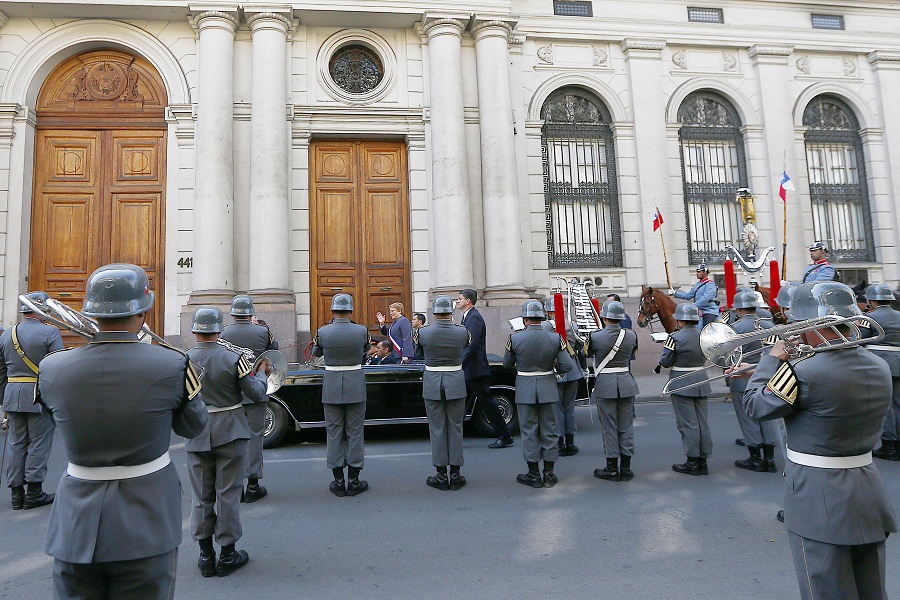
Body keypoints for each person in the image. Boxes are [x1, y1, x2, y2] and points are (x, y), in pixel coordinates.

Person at [36, 263, 208, 599]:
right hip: (147, 520)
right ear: (143, 311)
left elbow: (54, 418)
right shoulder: (172, 363)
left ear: (92, 311)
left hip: (74, 524)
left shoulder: (52, 366)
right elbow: (194, 426)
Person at [743, 281, 896, 600]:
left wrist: (772, 358)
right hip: (867, 489)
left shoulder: (802, 371)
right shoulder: (878, 365)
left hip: (817, 496)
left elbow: (754, 405)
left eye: (797, 325)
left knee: (824, 589)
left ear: (812, 323)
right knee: (871, 590)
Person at [186, 307, 270, 577]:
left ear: (194, 330)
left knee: (201, 496)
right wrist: (263, 374)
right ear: (219, 330)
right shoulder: (234, 358)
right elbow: (256, 394)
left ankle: (205, 556)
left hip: (197, 432)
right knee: (228, 495)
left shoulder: (182, 360)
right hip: (231, 430)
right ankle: (228, 554)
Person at [0, 291, 63, 509]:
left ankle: (17, 495)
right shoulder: (51, 332)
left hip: (13, 394)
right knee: (39, 443)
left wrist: (5, 397)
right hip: (39, 394)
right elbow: (57, 367)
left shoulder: (7, 334)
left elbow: (1, 371)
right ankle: (34, 493)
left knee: (16, 444)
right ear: (43, 310)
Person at [503, 301, 575, 488]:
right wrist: (552, 368)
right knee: (550, 429)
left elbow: (506, 365)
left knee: (529, 431)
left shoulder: (515, 338)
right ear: (542, 317)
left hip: (525, 388)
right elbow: (567, 365)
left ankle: (533, 473)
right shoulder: (555, 338)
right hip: (548, 387)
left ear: (525, 319)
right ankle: (549, 473)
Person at [219, 295, 278, 503]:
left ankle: (236, 485)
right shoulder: (262, 331)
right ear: (251, 313)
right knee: (255, 437)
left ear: (233, 313)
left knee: (234, 439)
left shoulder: (223, 333)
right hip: (256, 389)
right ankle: (253, 484)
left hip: (232, 393)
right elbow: (274, 350)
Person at [313, 294, 372, 497]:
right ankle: (354, 480)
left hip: (331, 384)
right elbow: (365, 350)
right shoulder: (362, 330)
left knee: (334, 432)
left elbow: (316, 352)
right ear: (350, 310)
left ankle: (338, 481)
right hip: (355, 383)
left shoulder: (323, 331)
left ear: (333, 310)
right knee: (355, 432)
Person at [415, 296, 470, 491]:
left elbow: (418, 353)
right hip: (455, 380)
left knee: (437, 428)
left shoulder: (423, 332)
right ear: (451, 312)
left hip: (432, 382)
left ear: (435, 312)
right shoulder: (462, 331)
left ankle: (440, 474)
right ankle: (455, 474)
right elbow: (465, 347)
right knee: (455, 427)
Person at [657, 303, 712, 475]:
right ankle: (703, 459)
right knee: (702, 422)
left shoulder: (675, 338)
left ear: (679, 320)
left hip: (681, 382)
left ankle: (693, 461)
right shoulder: (704, 336)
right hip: (701, 379)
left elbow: (665, 362)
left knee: (688, 424)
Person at [587, 300, 639, 482]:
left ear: (604, 316)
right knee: (626, 427)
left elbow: (588, 353)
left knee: (609, 427)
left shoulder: (595, 336)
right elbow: (633, 353)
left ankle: (611, 468)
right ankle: (626, 468)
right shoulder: (632, 335)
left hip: (606, 384)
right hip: (626, 382)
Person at [727, 291, 779, 473]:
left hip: (742, 377)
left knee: (748, 418)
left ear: (739, 309)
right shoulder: (769, 324)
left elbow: (729, 356)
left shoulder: (735, 328)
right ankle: (770, 458)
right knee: (767, 416)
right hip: (767, 375)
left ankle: (756, 457)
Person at [457, 289, 513, 448]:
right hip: (471, 368)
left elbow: (472, 344)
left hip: (475, 369)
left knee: (487, 403)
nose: (457, 301)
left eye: (460, 298)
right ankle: (454, 436)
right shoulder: (467, 316)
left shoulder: (474, 317)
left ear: (468, 301)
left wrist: (460, 362)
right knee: (463, 402)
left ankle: (505, 435)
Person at [859, 284, 900, 461]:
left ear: (871, 300)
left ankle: (889, 445)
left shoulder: (869, 318)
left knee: (888, 406)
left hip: (881, 363)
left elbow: (859, 340)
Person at [542, 297, 585, 456]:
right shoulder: (573, 325)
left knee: (557, 409)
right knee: (570, 408)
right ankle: (571, 443)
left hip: (555, 369)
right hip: (573, 369)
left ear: (549, 311)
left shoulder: (545, 326)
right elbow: (580, 348)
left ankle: (559, 442)